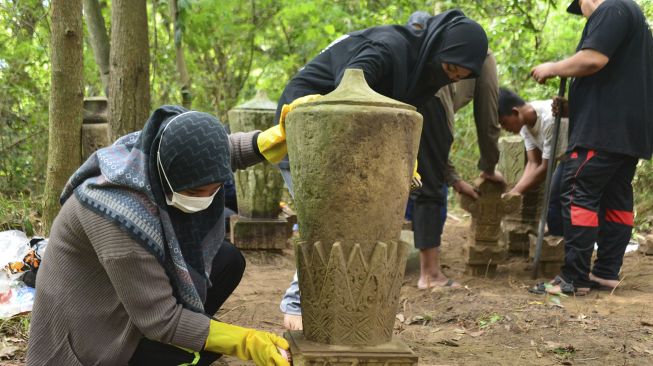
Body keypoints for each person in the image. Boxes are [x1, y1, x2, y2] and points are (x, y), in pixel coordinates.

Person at [27, 106, 291, 366]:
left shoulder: (147, 155)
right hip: (89, 339)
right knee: (199, 353)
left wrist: (263, 142)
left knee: (228, 260)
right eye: (196, 192)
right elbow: (161, 320)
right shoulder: (119, 220)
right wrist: (245, 341)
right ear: (166, 176)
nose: (206, 199)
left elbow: (213, 154)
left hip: (120, 298)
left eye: (215, 190)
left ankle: (181, 330)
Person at [278, 9, 490, 330]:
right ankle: (296, 304)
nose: (449, 79)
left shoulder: (420, 71)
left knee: (356, 224)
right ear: (437, 47)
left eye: (458, 78)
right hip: (306, 128)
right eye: (449, 69)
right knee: (327, 220)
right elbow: (348, 93)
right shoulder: (387, 49)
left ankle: (343, 309)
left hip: (344, 139)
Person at [530, 0, 653, 295]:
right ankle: (606, 273)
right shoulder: (634, 22)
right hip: (625, 133)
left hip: (602, 133)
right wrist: (574, 108)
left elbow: (593, 60)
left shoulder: (613, 8)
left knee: (577, 192)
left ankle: (573, 278)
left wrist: (553, 67)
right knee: (616, 200)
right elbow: (617, 84)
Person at [406, 11, 504, 290]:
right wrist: (489, 166)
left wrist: (455, 179)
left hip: (403, 101)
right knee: (429, 189)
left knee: (410, 179)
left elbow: (432, 154)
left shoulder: (425, 45)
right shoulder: (481, 54)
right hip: (431, 105)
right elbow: (488, 113)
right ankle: (430, 274)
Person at [497, 87, 569, 236]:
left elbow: (545, 168)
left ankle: (561, 245)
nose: (505, 128)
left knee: (558, 199)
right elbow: (533, 163)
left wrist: (515, 192)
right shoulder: (524, 124)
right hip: (566, 159)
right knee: (554, 201)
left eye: (504, 122)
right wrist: (514, 192)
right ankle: (557, 243)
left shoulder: (549, 120)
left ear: (515, 112)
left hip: (583, 157)